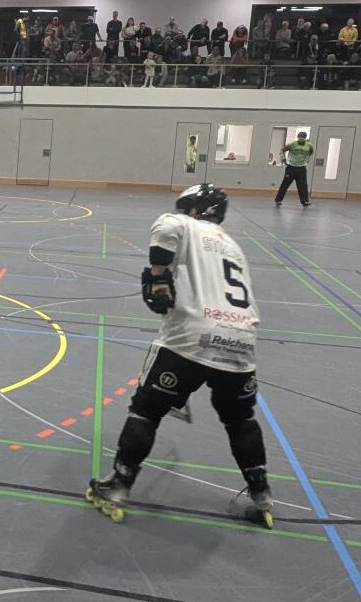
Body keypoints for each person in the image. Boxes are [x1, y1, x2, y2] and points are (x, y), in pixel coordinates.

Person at [86, 184, 271, 526]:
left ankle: (118, 485)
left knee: (146, 409)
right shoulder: (233, 247)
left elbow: (167, 228)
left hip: (191, 335)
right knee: (240, 418)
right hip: (242, 338)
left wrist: (158, 277)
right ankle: (261, 494)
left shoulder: (183, 224)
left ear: (194, 209)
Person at [274, 131, 314, 207]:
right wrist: (283, 159)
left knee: (303, 185)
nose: (301, 138)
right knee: (285, 184)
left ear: (305, 138)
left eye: (303, 137)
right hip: (291, 167)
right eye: (300, 137)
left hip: (301, 168)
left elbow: (311, 152)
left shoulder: (309, 145)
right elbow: (282, 150)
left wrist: (307, 160)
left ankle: (305, 201)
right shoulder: (292, 144)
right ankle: (278, 199)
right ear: (298, 137)